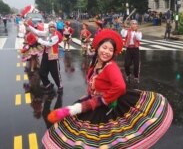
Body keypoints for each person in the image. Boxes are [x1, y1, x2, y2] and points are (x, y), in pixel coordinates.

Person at [42, 29, 173, 148]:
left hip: (108, 106)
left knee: (105, 140)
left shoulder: (110, 67)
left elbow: (120, 87)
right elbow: (93, 83)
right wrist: (87, 97)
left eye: (110, 50)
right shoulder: (95, 64)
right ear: (98, 47)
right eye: (104, 48)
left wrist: (101, 100)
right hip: (93, 101)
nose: (106, 52)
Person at [24, 21, 63, 94]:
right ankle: (48, 85)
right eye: (50, 27)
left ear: (55, 28)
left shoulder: (56, 35)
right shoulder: (47, 33)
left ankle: (60, 86)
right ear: (48, 27)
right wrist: (28, 26)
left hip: (53, 57)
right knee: (42, 72)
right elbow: (37, 32)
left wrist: (38, 40)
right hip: (46, 55)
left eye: (53, 27)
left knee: (55, 74)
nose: (52, 28)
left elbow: (49, 44)